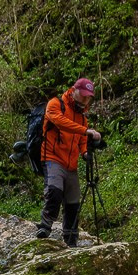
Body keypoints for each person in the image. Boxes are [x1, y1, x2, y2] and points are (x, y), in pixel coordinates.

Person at [36, 78, 101, 247]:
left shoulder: (82, 118)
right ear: (73, 90)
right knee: (55, 190)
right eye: (83, 95)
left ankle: (71, 237)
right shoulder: (55, 104)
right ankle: (45, 226)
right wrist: (86, 131)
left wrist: (85, 152)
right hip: (52, 157)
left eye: (88, 97)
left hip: (71, 164)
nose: (85, 99)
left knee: (73, 202)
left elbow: (81, 140)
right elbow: (61, 122)